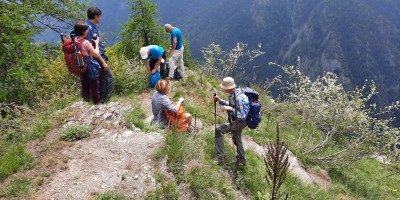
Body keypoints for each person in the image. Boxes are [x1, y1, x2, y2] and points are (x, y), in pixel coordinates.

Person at [213, 77, 250, 166]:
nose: (223, 89)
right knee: (237, 139)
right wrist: (220, 100)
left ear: (229, 87)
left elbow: (242, 115)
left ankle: (219, 159)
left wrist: (230, 109)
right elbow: (232, 105)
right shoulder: (235, 93)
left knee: (219, 130)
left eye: (224, 87)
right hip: (240, 121)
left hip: (240, 122)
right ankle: (242, 161)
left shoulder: (238, 97)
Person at [74, 21, 108, 104]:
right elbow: (96, 54)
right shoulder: (86, 42)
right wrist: (96, 44)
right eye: (86, 30)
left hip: (81, 65)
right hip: (90, 65)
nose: (87, 31)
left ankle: (85, 102)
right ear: (84, 32)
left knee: (85, 84)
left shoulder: (76, 40)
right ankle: (97, 103)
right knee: (94, 85)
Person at [86, 7, 114, 103]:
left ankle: (101, 100)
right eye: (100, 16)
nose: (100, 19)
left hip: (96, 58)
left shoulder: (89, 26)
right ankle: (104, 102)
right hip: (97, 58)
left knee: (102, 80)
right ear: (96, 16)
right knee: (109, 79)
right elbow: (93, 49)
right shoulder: (89, 29)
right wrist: (103, 62)